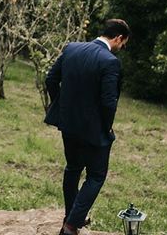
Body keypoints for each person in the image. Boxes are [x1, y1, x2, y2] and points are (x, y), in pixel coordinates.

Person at [44, 19, 131, 235]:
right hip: (94, 130)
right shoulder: (110, 62)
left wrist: (63, 108)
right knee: (96, 175)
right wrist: (107, 126)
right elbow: (108, 102)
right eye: (123, 44)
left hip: (69, 125)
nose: (122, 48)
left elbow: (50, 80)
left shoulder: (72, 48)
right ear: (118, 38)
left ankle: (69, 217)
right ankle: (71, 226)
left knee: (73, 168)